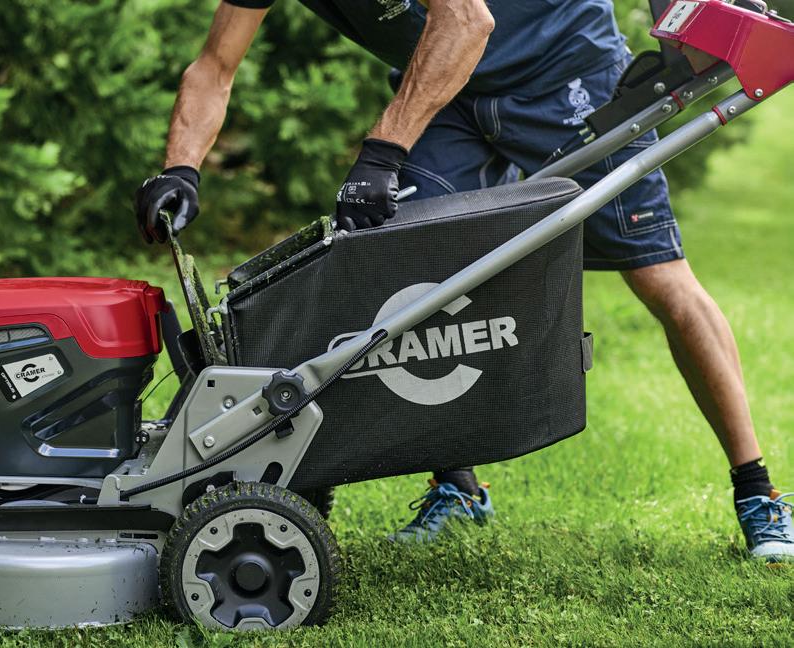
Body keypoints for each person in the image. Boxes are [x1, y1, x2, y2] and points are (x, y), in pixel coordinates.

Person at [132, 0, 793, 561]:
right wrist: (180, 169)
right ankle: (459, 485)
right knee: (411, 272)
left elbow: (467, 19)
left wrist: (382, 152)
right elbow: (214, 68)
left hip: (563, 69)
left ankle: (757, 492)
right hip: (448, 90)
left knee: (662, 280)